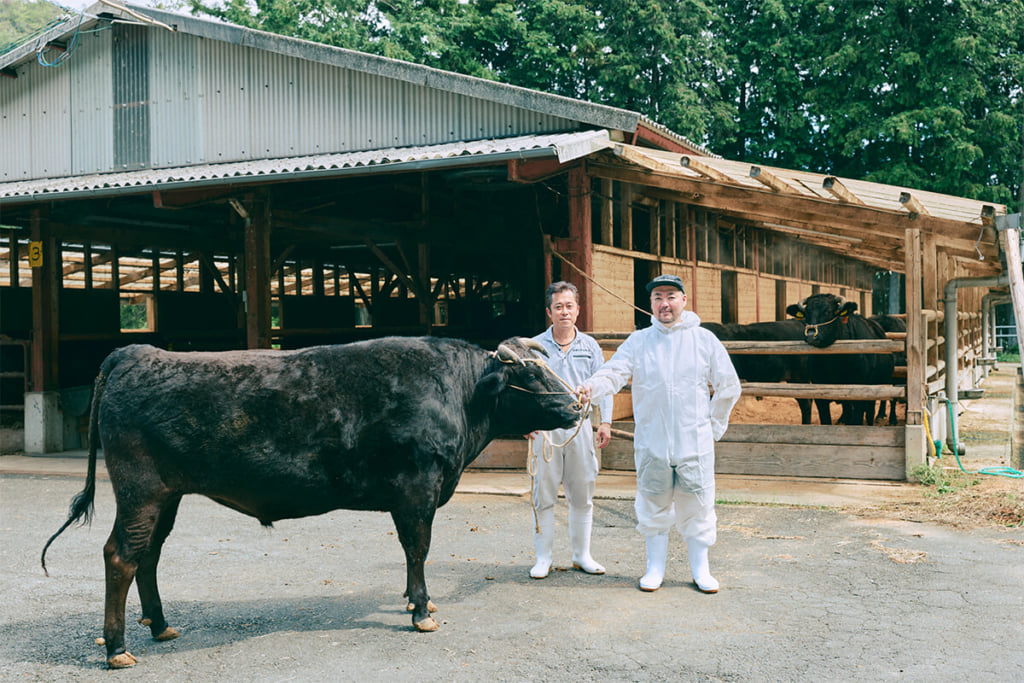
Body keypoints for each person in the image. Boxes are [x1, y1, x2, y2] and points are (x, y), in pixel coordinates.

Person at [578, 274, 741, 593]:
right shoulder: (639, 342)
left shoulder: (703, 340)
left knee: (698, 504)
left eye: (670, 296)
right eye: (657, 298)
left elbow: (728, 385)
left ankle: (701, 570)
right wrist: (590, 387)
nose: (664, 304)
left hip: (694, 442)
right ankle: (655, 569)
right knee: (653, 504)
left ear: (683, 300)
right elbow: (614, 373)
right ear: (650, 304)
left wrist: (712, 428)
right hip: (653, 442)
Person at [528, 281, 613, 579]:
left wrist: (605, 421)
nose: (564, 311)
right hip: (546, 431)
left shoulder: (589, 346)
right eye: (558, 307)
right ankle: (543, 558)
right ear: (549, 311)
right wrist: (526, 422)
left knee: (582, 493)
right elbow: (525, 388)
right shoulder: (535, 346)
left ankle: (582, 556)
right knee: (544, 494)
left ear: (578, 309)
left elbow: (605, 385)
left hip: (580, 427)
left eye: (569, 306)